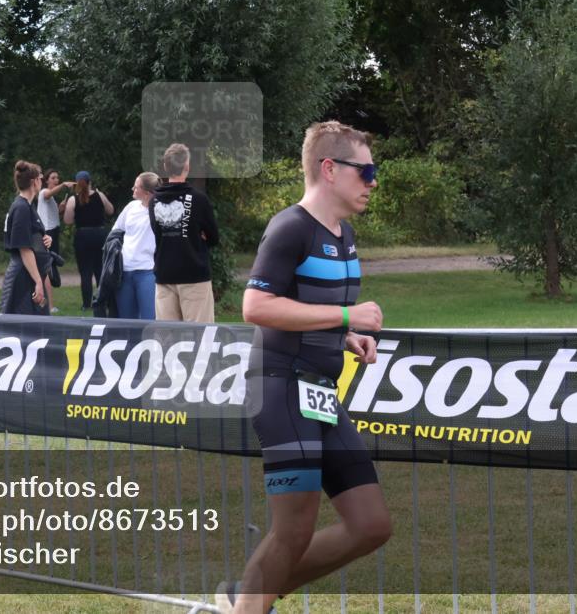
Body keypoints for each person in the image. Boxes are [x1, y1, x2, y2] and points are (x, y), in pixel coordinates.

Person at [221, 121, 390, 614]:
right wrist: (345, 316)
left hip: (319, 391)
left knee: (371, 524)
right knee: (292, 530)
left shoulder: (344, 233)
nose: (373, 182)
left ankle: (248, 595)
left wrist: (343, 335)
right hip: (280, 388)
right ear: (330, 169)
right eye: (366, 171)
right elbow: (255, 307)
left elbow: (301, 308)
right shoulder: (290, 226)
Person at [148, 143, 219, 322]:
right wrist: (197, 236)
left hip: (165, 274)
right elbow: (214, 237)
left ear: (165, 167)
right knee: (201, 337)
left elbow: (158, 232)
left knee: (168, 339)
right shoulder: (199, 199)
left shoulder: (154, 201)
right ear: (187, 167)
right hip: (193, 275)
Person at [0, 160, 52, 316]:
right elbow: (24, 249)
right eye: (40, 177)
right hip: (23, 276)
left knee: (39, 328)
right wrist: (38, 283)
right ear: (33, 181)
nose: (42, 181)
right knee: (18, 329)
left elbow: (32, 238)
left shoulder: (28, 206)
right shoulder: (21, 208)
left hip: (31, 274)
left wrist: (45, 239)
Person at [63, 170, 114, 311]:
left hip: (83, 236)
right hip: (100, 234)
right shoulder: (99, 195)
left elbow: (67, 221)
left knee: (85, 271)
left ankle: (86, 304)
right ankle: (102, 300)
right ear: (90, 182)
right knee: (100, 270)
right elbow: (110, 210)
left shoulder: (73, 199)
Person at [112, 172, 159, 319]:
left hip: (148, 271)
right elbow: (116, 231)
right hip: (125, 270)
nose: (132, 188)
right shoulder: (131, 207)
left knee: (149, 318)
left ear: (147, 193)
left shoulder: (159, 211)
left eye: (136, 186)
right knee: (126, 319)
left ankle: (151, 342)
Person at [38, 169, 75, 312]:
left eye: (58, 178)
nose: (56, 180)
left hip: (53, 232)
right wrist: (64, 185)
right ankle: (49, 306)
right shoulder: (44, 193)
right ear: (46, 180)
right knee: (46, 270)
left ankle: (45, 303)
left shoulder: (51, 198)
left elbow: (52, 217)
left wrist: (60, 210)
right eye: (53, 178)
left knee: (50, 269)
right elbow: (49, 193)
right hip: (46, 234)